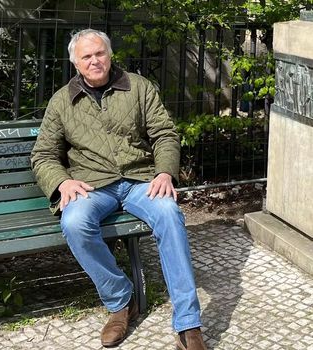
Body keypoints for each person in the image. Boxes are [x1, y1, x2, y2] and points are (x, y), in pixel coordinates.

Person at [31, 28, 207, 350]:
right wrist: (62, 181)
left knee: (169, 213)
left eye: (100, 53)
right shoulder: (62, 102)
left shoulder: (138, 87)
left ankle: (188, 324)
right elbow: (43, 155)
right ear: (76, 63)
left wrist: (165, 172)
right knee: (73, 222)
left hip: (141, 180)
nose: (95, 60)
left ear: (110, 55)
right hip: (92, 185)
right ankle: (121, 301)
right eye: (87, 56)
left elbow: (165, 134)